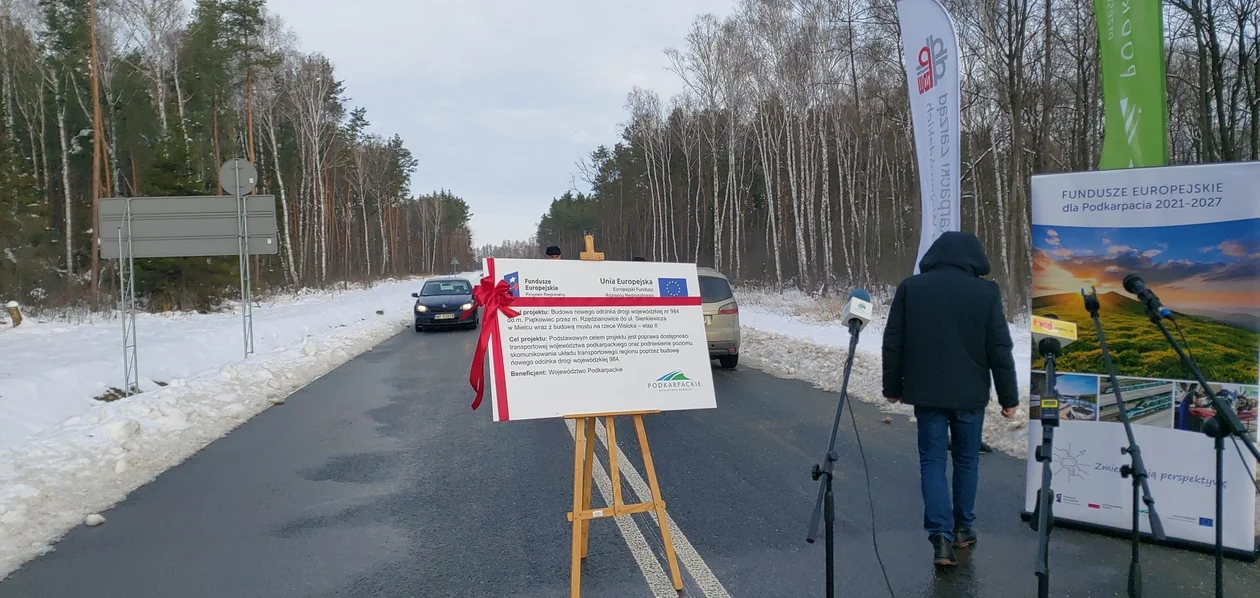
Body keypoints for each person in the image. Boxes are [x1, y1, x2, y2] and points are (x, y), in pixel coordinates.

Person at [881, 231, 1019, 567]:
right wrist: (1008, 397)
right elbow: (999, 348)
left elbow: (893, 341)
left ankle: (939, 538)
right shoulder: (986, 292)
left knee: (931, 462)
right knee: (966, 461)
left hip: (926, 393)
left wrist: (892, 387)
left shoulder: (911, 288)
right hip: (970, 394)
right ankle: (962, 530)